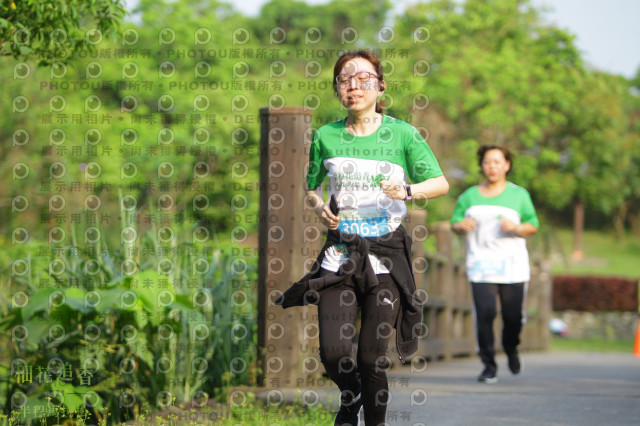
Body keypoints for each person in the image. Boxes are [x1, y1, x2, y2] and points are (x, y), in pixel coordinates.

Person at [276, 49, 448, 426]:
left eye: (363, 78)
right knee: (334, 353)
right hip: (340, 256)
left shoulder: (402, 133)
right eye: (344, 79)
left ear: (380, 86)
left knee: (372, 358)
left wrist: (406, 191)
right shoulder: (326, 135)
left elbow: (440, 183)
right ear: (337, 90)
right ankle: (350, 394)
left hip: (385, 258)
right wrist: (318, 206)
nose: (353, 85)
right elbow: (310, 188)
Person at [450, 145, 539, 384]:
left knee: (512, 318)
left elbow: (532, 224)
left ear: (507, 165)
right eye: (488, 162)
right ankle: (488, 365)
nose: (492, 167)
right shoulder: (469, 196)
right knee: (486, 314)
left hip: (512, 266)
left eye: (497, 162)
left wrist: (517, 228)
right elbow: (455, 223)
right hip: (480, 264)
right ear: (482, 165)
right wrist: (461, 226)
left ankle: (511, 348)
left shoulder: (519, 195)